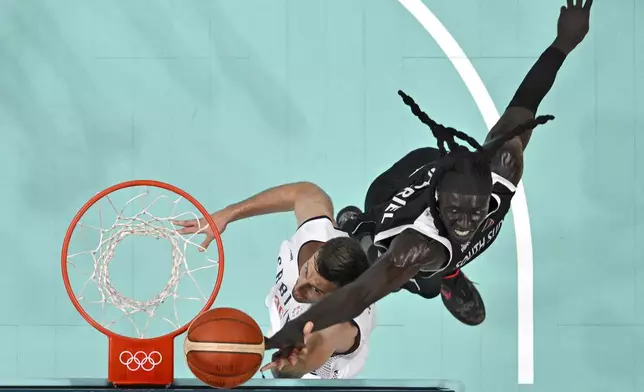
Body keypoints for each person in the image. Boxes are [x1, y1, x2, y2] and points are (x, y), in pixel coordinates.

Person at [264, 0, 592, 356]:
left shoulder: (504, 163)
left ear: (489, 190)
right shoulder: (418, 245)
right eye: (455, 213)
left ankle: (437, 269)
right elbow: (358, 296)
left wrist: (563, 44)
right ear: (439, 202)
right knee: (393, 268)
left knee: (427, 273)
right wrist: (281, 337)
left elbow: (527, 99)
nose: (466, 223)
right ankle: (364, 227)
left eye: (475, 210)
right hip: (394, 200)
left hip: (433, 188)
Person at [174, 182, 375, 379]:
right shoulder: (314, 243)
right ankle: (363, 241)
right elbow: (305, 192)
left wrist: (281, 362)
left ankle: (370, 247)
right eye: (305, 272)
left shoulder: (337, 328)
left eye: (315, 290)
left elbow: (297, 365)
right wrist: (227, 214)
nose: (299, 288)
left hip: (318, 378)